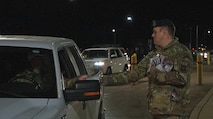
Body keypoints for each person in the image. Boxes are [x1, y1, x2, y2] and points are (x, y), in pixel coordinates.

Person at [110, 19, 193, 119]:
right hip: (157, 112)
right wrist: (102, 80)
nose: (152, 35)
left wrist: (157, 74)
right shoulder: (153, 54)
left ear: (164, 32)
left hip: (175, 113)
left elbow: (181, 78)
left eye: (155, 32)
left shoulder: (181, 52)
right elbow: (135, 74)